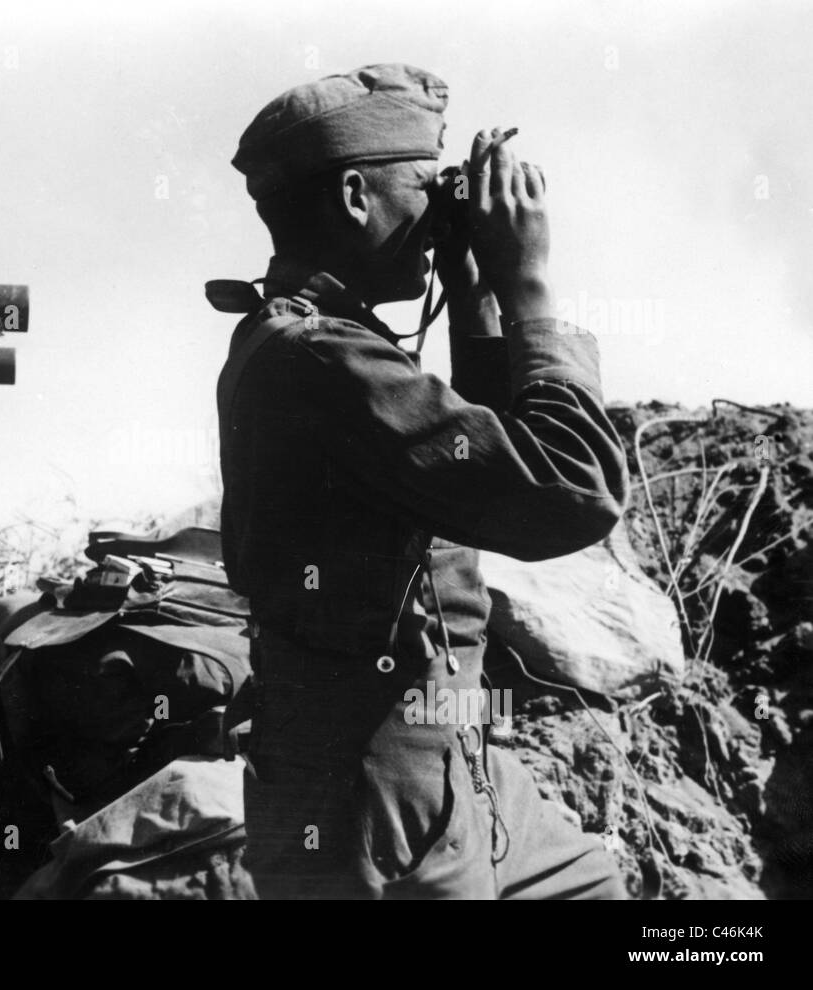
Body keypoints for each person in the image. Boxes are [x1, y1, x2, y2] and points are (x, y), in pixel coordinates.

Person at [211, 64, 630, 898]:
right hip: (372, 784)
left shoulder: (315, 342)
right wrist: (530, 290)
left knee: (589, 882)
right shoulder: (321, 360)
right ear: (357, 195)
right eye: (428, 185)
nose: (446, 211)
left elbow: (479, 475)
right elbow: (567, 492)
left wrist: (474, 298)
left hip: (443, 746)